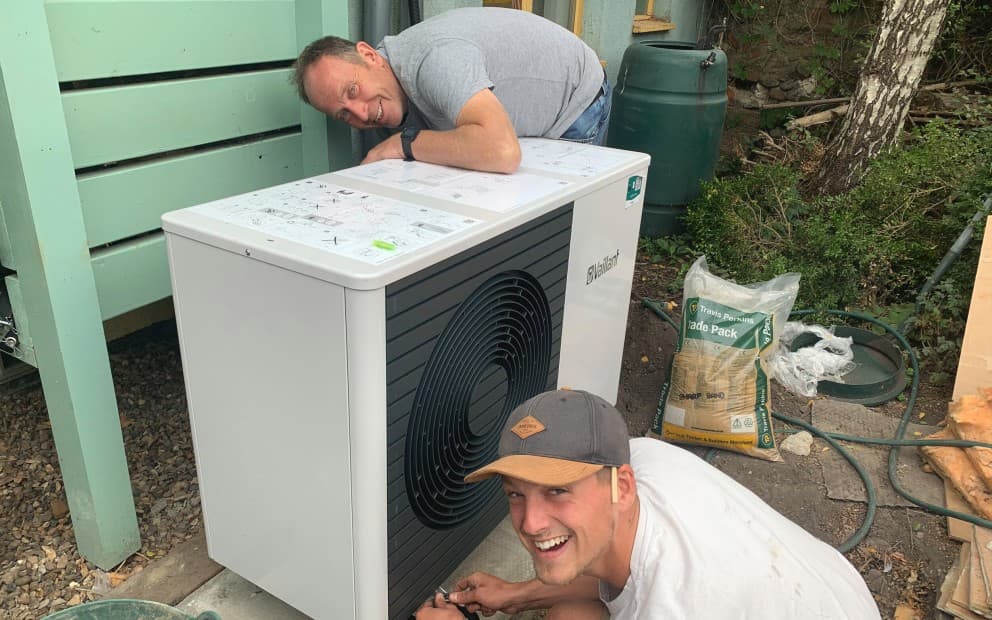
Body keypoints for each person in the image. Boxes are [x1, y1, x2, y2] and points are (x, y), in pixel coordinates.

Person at [414, 389, 880, 619]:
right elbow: (620, 577)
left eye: (558, 490)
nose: (531, 523)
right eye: (516, 494)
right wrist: (516, 594)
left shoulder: (676, 605)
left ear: (623, 485)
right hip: (832, 592)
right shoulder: (645, 456)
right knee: (570, 614)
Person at [291, 7, 611, 174]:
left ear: (370, 55)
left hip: (573, 99)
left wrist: (403, 145)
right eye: (343, 113)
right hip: (513, 117)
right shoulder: (389, 89)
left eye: (352, 90)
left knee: (561, 235)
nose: (361, 112)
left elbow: (501, 151)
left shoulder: (434, 61)